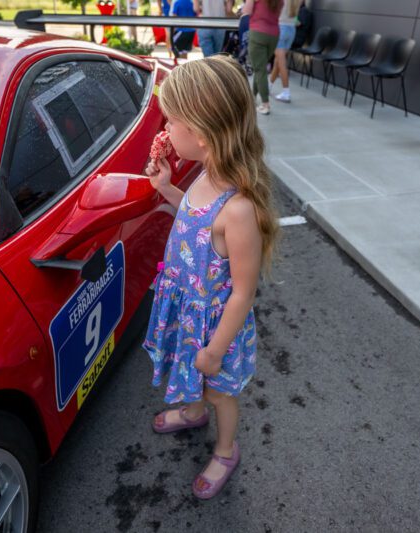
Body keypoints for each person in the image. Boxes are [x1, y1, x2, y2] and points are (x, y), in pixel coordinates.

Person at [142, 55, 280, 499]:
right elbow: (198, 219)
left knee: (218, 389)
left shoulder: (239, 210)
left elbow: (243, 291)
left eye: (171, 121)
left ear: (200, 135)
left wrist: (216, 350)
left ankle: (225, 449)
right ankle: (194, 409)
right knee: (193, 375)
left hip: (216, 327)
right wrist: (166, 189)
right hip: (189, 312)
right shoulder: (206, 174)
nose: (165, 129)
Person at [243, 0, 281, 114]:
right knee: (259, 67)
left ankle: (265, 104)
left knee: (260, 69)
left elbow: (246, 11)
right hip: (274, 35)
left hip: (258, 33)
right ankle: (252, 98)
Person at [269, 0, 299, 102]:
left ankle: (286, 92)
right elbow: (296, 20)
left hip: (281, 28)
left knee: (281, 63)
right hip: (291, 30)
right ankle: (269, 86)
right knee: (278, 61)